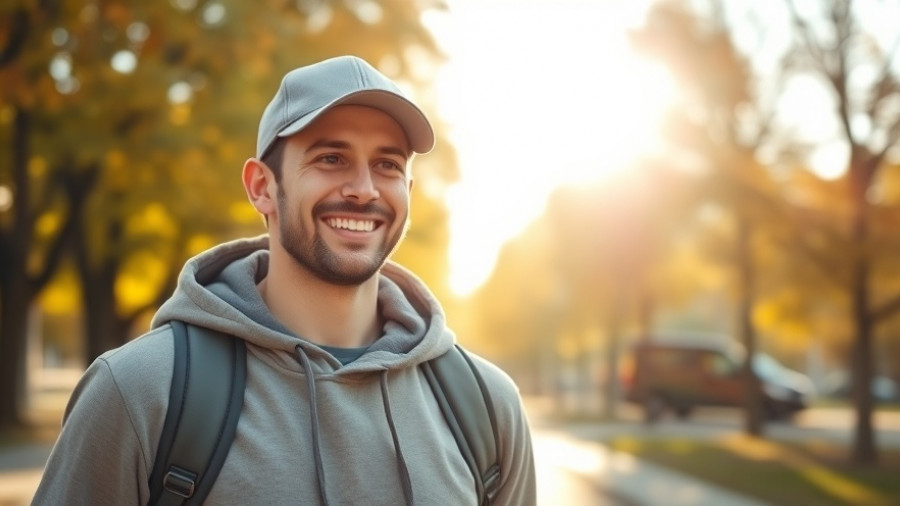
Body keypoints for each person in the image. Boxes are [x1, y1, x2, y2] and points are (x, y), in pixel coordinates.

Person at [32, 55, 536, 505]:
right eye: (330, 158)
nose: (363, 190)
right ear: (261, 188)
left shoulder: (487, 408)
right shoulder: (141, 392)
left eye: (387, 164)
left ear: (407, 188)